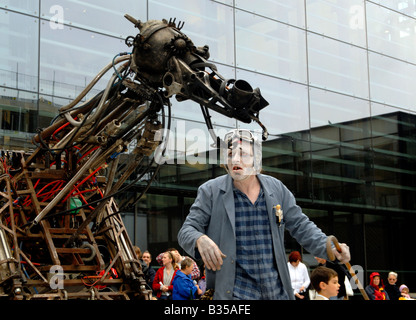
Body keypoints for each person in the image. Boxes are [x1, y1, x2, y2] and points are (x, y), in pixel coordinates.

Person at [177, 129, 351, 300]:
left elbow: (301, 225)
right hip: (236, 295)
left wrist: (329, 248)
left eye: (242, 154)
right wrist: (199, 239)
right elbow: (186, 231)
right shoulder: (210, 191)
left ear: (256, 159)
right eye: (230, 154)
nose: (235, 159)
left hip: (277, 292)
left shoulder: (276, 188)